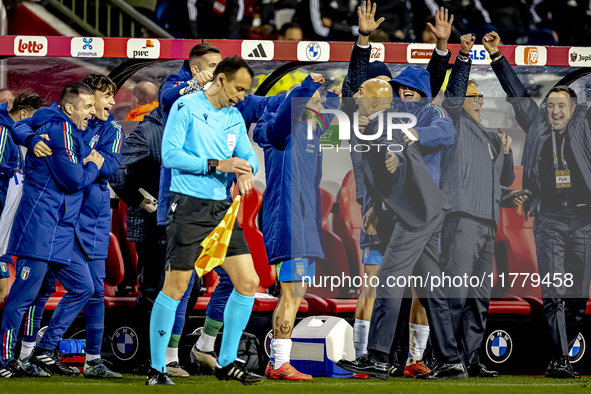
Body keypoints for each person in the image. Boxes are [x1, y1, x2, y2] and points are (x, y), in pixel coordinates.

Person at [343, 2, 454, 379]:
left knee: (389, 281)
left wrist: (408, 139)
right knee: (427, 288)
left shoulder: (427, 114)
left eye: (409, 93)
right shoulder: (376, 122)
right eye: (398, 92)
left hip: (420, 210)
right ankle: (451, 361)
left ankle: (377, 356)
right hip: (396, 210)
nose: (404, 97)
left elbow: (441, 126)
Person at [146, 56, 262, 385]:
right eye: (239, 88)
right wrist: (218, 164)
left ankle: (225, 361)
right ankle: (157, 368)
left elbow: (248, 155)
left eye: (246, 90)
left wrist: (245, 171)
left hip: (221, 211)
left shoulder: (234, 118)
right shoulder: (186, 107)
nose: (242, 95)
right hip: (186, 207)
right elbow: (171, 155)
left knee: (248, 282)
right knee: (176, 286)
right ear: (221, 79)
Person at [487, 30, 591, 378]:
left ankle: (560, 352)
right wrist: (498, 58)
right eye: (550, 106)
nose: (555, 111)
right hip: (549, 219)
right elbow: (517, 97)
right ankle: (561, 359)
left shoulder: (585, 127)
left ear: (574, 110)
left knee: (577, 299)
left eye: (562, 106)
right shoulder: (538, 127)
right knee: (553, 292)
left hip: (584, 220)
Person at [15, 75, 123, 378]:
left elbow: (112, 164)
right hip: (60, 220)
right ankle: (32, 352)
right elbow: (23, 124)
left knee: (93, 291)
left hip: (91, 222)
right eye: (106, 97)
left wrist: (95, 164)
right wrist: (31, 139)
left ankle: (90, 359)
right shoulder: (62, 119)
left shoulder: (111, 129)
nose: (111, 103)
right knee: (45, 288)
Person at [440, 33, 526, 378]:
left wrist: (507, 151)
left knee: (478, 297)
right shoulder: (453, 123)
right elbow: (454, 94)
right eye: (473, 96)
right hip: (461, 218)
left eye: (479, 96)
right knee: (455, 293)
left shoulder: (492, 136)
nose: (478, 101)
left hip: (488, 223)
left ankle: (471, 357)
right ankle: (446, 358)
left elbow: (504, 180)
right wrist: (464, 57)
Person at [252, 74, 339, 381]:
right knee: (291, 293)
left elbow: (341, 115)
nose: (320, 98)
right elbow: (289, 109)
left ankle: (277, 360)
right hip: (289, 219)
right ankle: (279, 363)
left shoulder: (314, 128)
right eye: (315, 94)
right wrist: (304, 87)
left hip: (306, 221)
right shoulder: (279, 128)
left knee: (296, 292)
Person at [0, 93, 47, 304]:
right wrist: (13, 172)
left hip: (7, 226)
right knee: (2, 286)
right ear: (24, 113)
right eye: (35, 121)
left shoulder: (16, 135)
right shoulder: (3, 131)